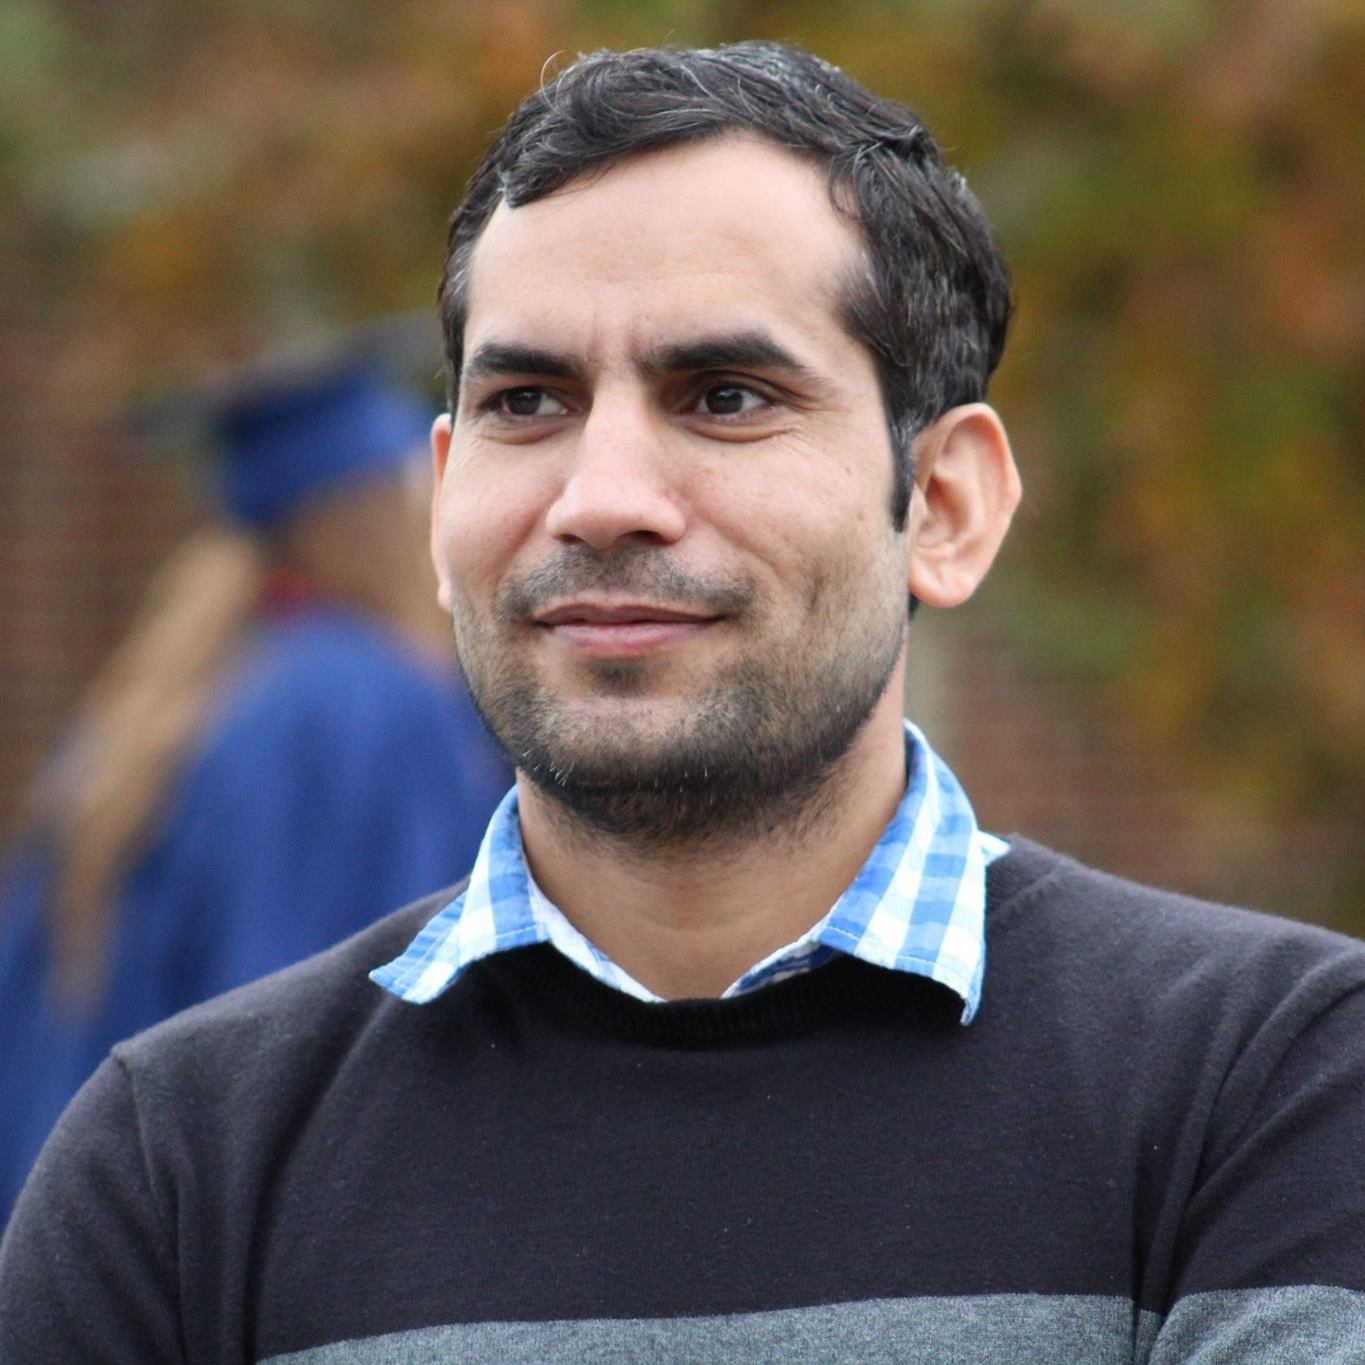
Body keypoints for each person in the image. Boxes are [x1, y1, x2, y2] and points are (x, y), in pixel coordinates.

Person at [2, 41, 1363, 1362]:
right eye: (527, 402)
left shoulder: (1266, 1082)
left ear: (943, 507)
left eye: (724, 395)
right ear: (440, 502)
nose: (600, 499)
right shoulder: (171, 1167)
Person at [0, 349, 511, 1228]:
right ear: (387, 516)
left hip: (92, 1229)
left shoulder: (161, 702)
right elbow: (329, 1040)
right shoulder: (360, 706)